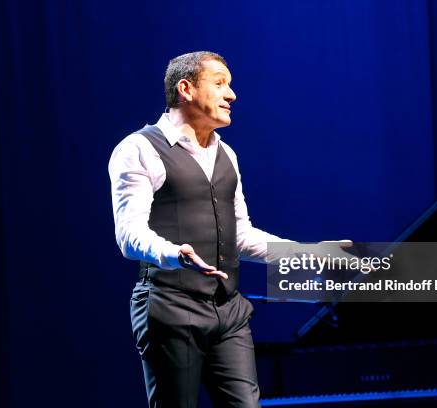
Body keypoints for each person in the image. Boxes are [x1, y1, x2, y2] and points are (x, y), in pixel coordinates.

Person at [109, 51, 350, 407]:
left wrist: (307, 254)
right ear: (186, 89)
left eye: (230, 85)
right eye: (220, 83)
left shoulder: (227, 155)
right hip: (170, 306)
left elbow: (240, 235)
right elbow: (129, 233)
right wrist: (174, 254)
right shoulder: (139, 149)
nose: (232, 94)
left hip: (228, 310)